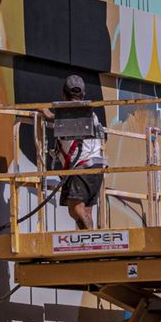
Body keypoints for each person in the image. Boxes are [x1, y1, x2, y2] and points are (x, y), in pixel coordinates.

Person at [48, 75, 106, 230]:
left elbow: (65, 118)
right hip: (97, 166)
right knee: (86, 210)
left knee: (75, 209)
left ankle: (91, 235)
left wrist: (47, 114)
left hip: (83, 167)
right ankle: (89, 239)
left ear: (64, 94)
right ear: (83, 94)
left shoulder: (68, 113)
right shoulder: (91, 114)